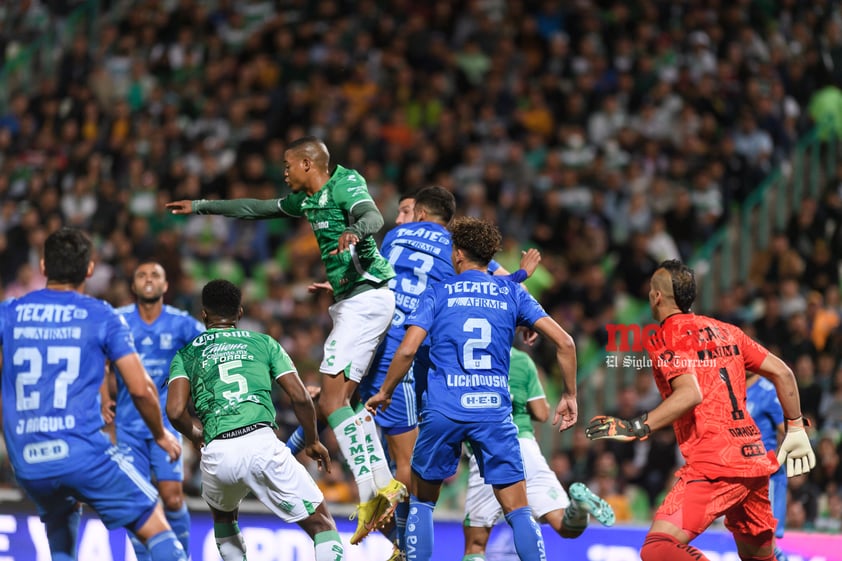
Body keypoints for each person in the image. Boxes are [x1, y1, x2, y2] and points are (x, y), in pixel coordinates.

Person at [166, 136, 404, 543]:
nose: (284, 172)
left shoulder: (345, 184)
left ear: (309, 164)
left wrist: (353, 230)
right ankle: (382, 488)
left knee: (330, 401)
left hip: (366, 301)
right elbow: (256, 208)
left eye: (288, 165)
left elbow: (372, 217)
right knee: (343, 402)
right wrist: (204, 205)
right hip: (353, 300)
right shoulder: (307, 201)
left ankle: (375, 490)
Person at [366, 217, 579, 561]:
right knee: (518, 510)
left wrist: (386, 390)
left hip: (443, 411)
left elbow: (407, 349)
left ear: (459, 253)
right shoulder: (510, 291)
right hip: (493, 413)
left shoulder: (437, 292)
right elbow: (566, 343)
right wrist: (569, 395)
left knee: (422, 503)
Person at [586, 259, 816, 561]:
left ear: (656, 297)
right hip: (754, 461)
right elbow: (784, 373)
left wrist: (635, 427)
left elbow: (689, 394)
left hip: (714, 463)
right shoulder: (727, 330)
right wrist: (796, 427)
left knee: (657, 548)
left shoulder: (666, 336)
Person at [0, 227, 186, 561]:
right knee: (157, 528)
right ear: (89, 269)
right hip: (83, 455)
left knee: (62, 530)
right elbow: (142, 389)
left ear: (43, 266)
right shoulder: (101, 315)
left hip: (28, 461)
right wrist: (160, 434)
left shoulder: (9, 312)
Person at [166, 279, 345, 561]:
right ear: (239, 313)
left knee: (224, 518)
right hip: (261, 443)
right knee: (322, 524)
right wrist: (312, 440)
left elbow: (175, 412)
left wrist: (197, 434)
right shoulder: (263, 343)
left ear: (204, 315)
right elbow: (300, 397)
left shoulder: (186, 354)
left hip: (218, 451)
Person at [462, 347, 615, 561]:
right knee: (564, 525)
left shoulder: (463, 358)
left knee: (476, 544)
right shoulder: (522, 359)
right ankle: (579, 508)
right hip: (524, 446)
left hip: (488, 450)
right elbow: (542, 412)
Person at [101, 262, 204, 560]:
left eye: (155, 275)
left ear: (165, 285)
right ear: (133, 286)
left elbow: (208, 349)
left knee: (172, 499)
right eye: (142, 275)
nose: (148, 279)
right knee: (137, 502)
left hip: (166, 426)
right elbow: (98, 358)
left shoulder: (181, 323)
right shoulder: (117, 320)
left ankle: (182, 555)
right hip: (128, 429)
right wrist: (104, 393)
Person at [746, 372, 789, 561]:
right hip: (742, 476)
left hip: (766, 477)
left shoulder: (768, 391)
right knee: (751, 542)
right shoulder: (732, 386)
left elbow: (788, 431)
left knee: (766, 541)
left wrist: (775, 461)